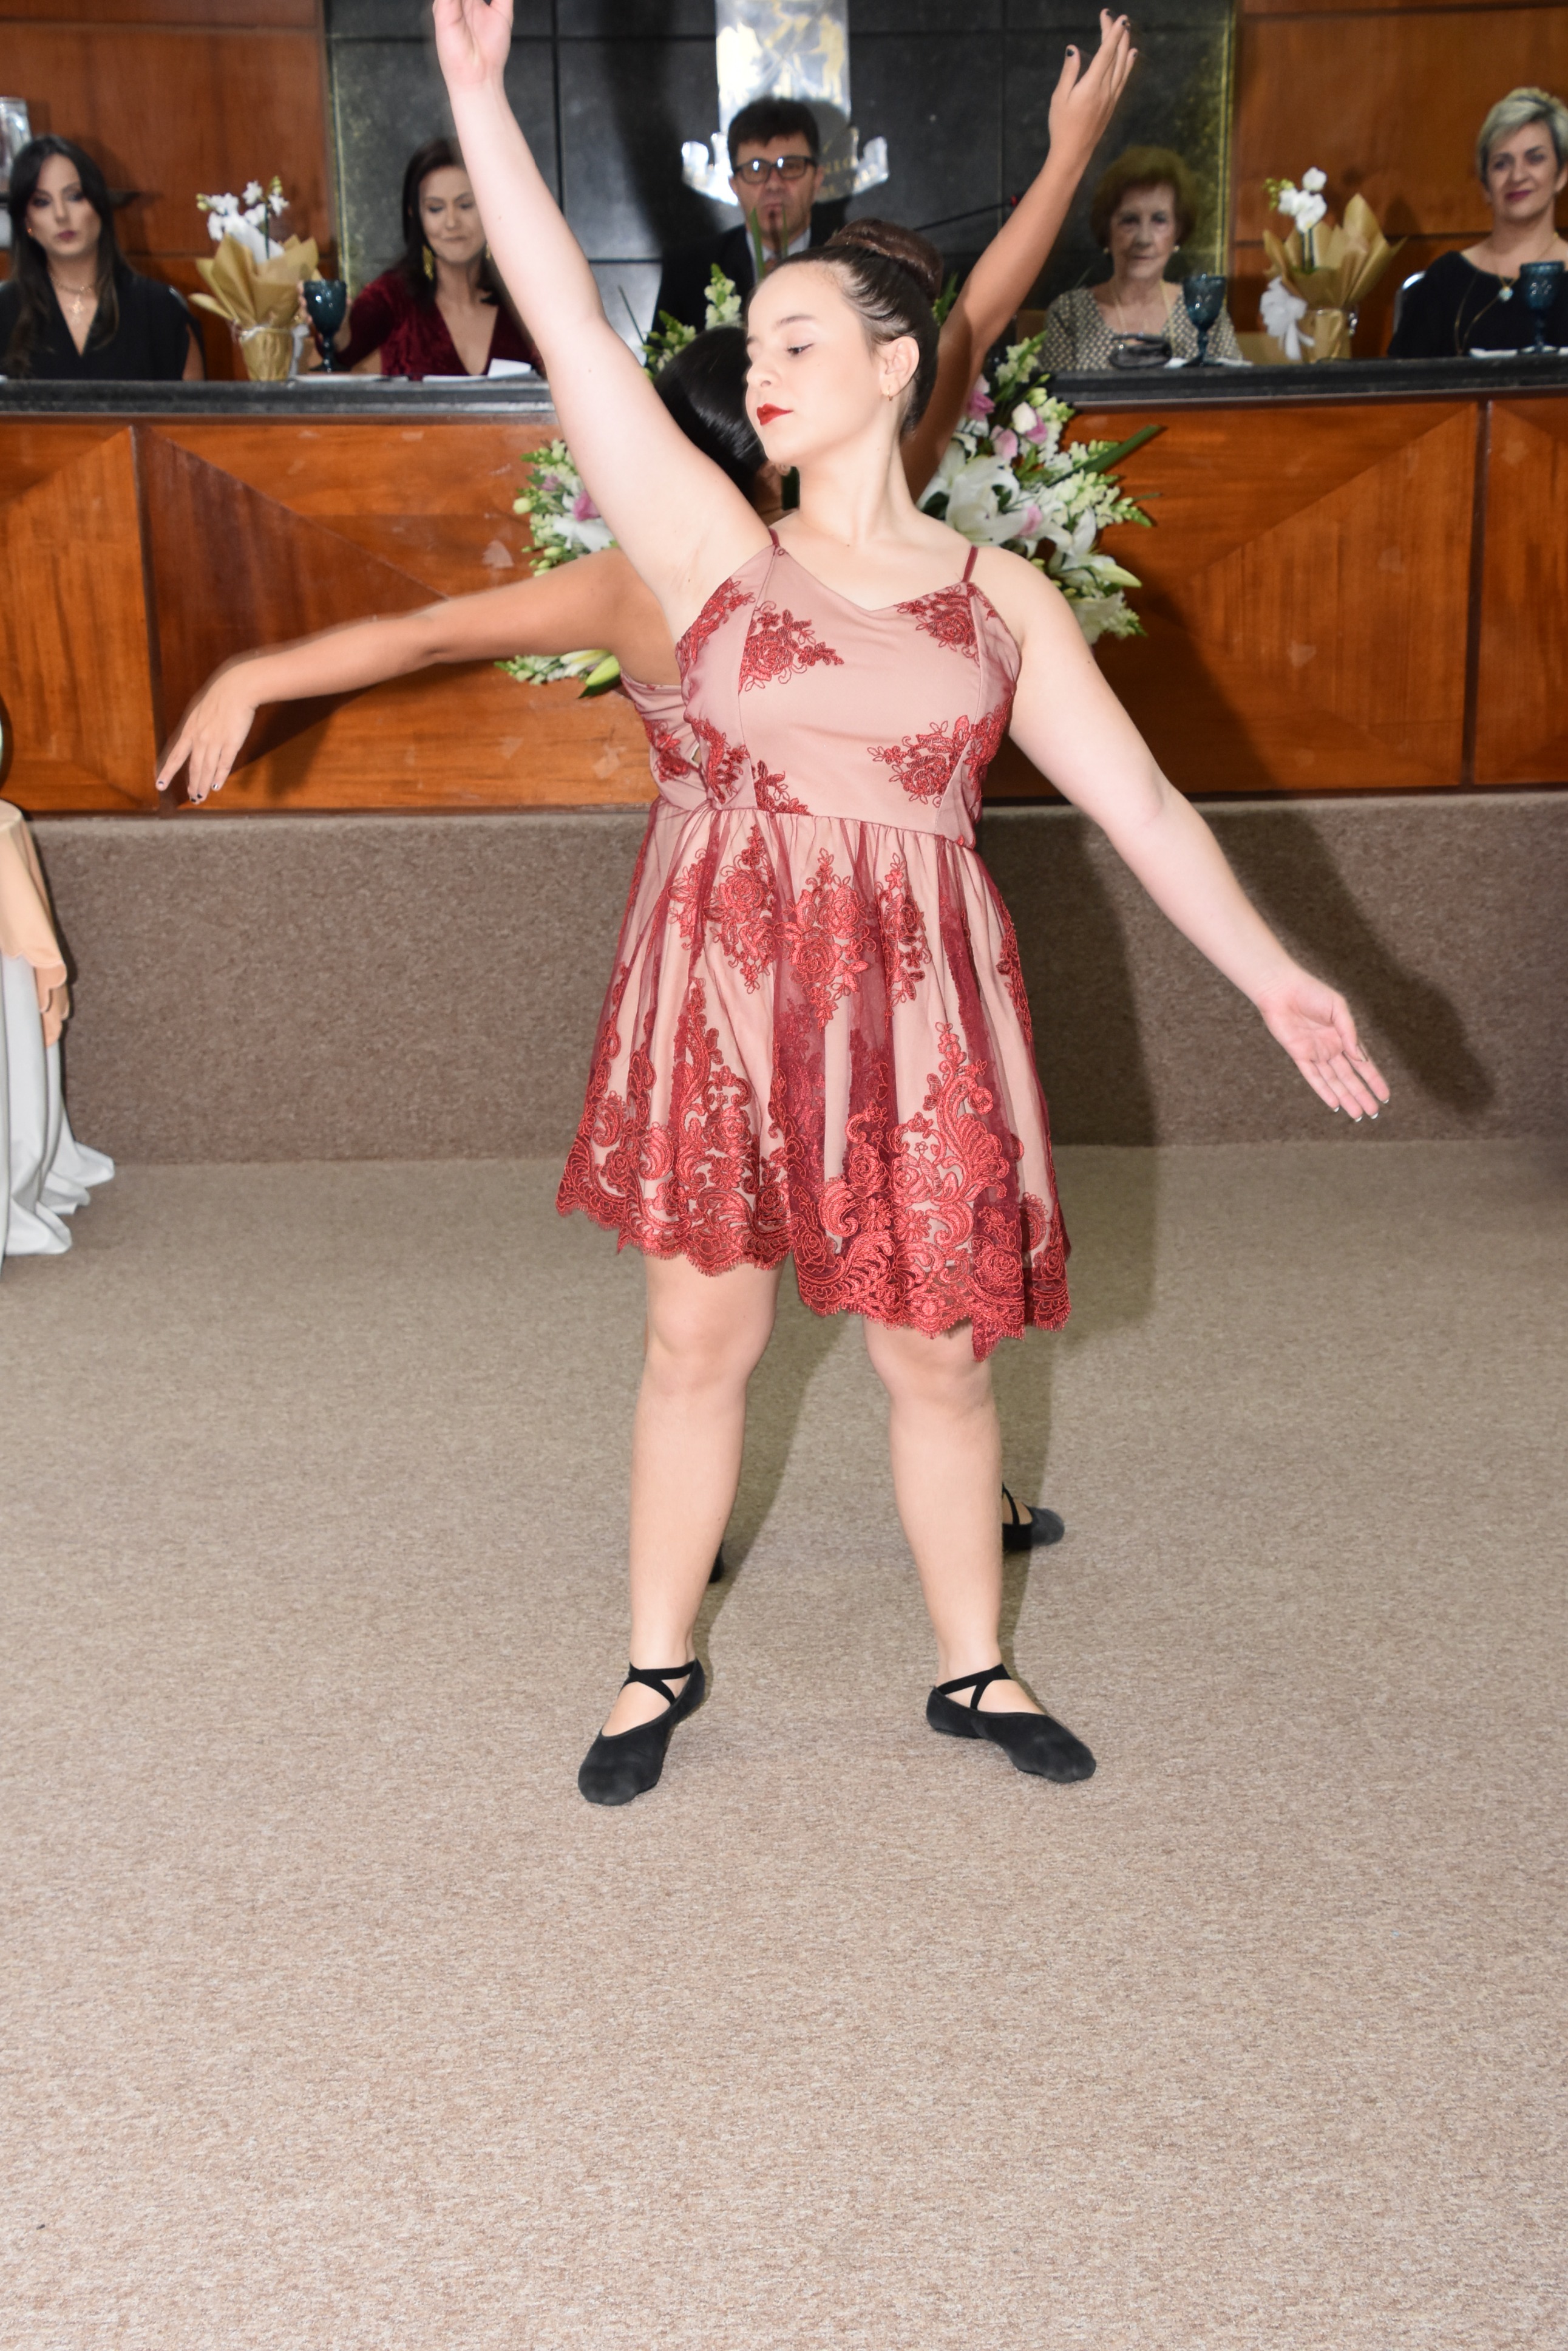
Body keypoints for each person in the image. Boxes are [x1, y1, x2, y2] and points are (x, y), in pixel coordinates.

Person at [430, 0, 1385, 1808]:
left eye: (799, 340)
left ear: (894, 365)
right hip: (729, 979)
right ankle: (654, 1663)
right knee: (698, 1336)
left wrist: (1274, 975)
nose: (761, 370)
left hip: (921, 996)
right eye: (749, 347)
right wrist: (480, 97)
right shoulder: (713, 551)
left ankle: (974, 1666)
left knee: (935, 1350)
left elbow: (1144, 804)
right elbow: (566, 326)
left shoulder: (1000, 597)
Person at [325, 138, 540, 379]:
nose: (452, 222)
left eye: (466, 205)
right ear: (415, 214)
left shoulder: (523, 301)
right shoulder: (392, 296)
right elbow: (344, 349)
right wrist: (335, 327)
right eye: (436, 209)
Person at [1, 137, 202, 381]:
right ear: (27, 222)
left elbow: (192, 405)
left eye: (75, 196)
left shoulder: (160, 309)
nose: (61, 215)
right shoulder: (5, 310)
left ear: (99, 205)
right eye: (42, 202)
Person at [1390, 88, 1568, 357]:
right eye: (1501, 164)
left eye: (1535, 158)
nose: (1517, 176)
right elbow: (1403, 381)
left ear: (1561, 175)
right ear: (1485, 186)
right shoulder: (1446, 281)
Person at [1040, 145, 1242, 369]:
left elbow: (1237, 387)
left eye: (1159, 220)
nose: (1144, 239)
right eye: (1130, 220)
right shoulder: (1070, 314)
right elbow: (1050, 392)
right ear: (1107, 230)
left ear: (1178, 231)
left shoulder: (1203, 312)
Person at [655, 97, 833, 335]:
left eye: (790, 166)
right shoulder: (688, 272)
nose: (774, 184)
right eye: (756, 169)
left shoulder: (853, 265)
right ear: (735, 185)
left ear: (817, 179)